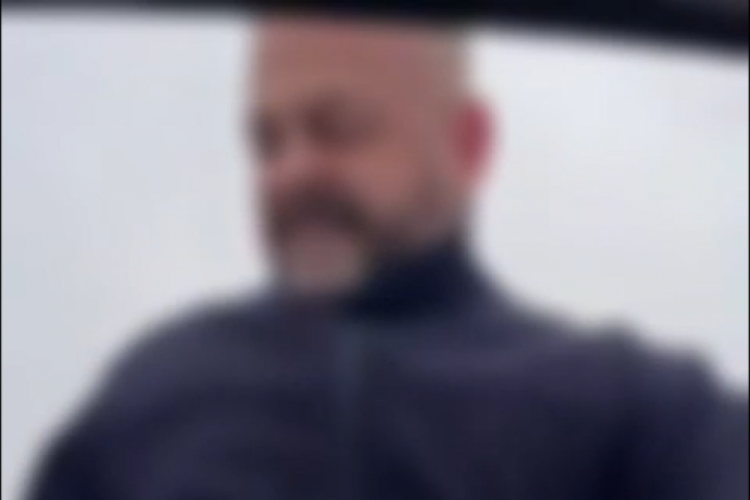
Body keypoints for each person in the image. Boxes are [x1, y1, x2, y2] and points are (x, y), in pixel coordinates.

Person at [26, 17, 748, 500]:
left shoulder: (641, 413)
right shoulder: (151, 395)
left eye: (338, 128)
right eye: (267, 141)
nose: (290, 174)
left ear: (468, 145)